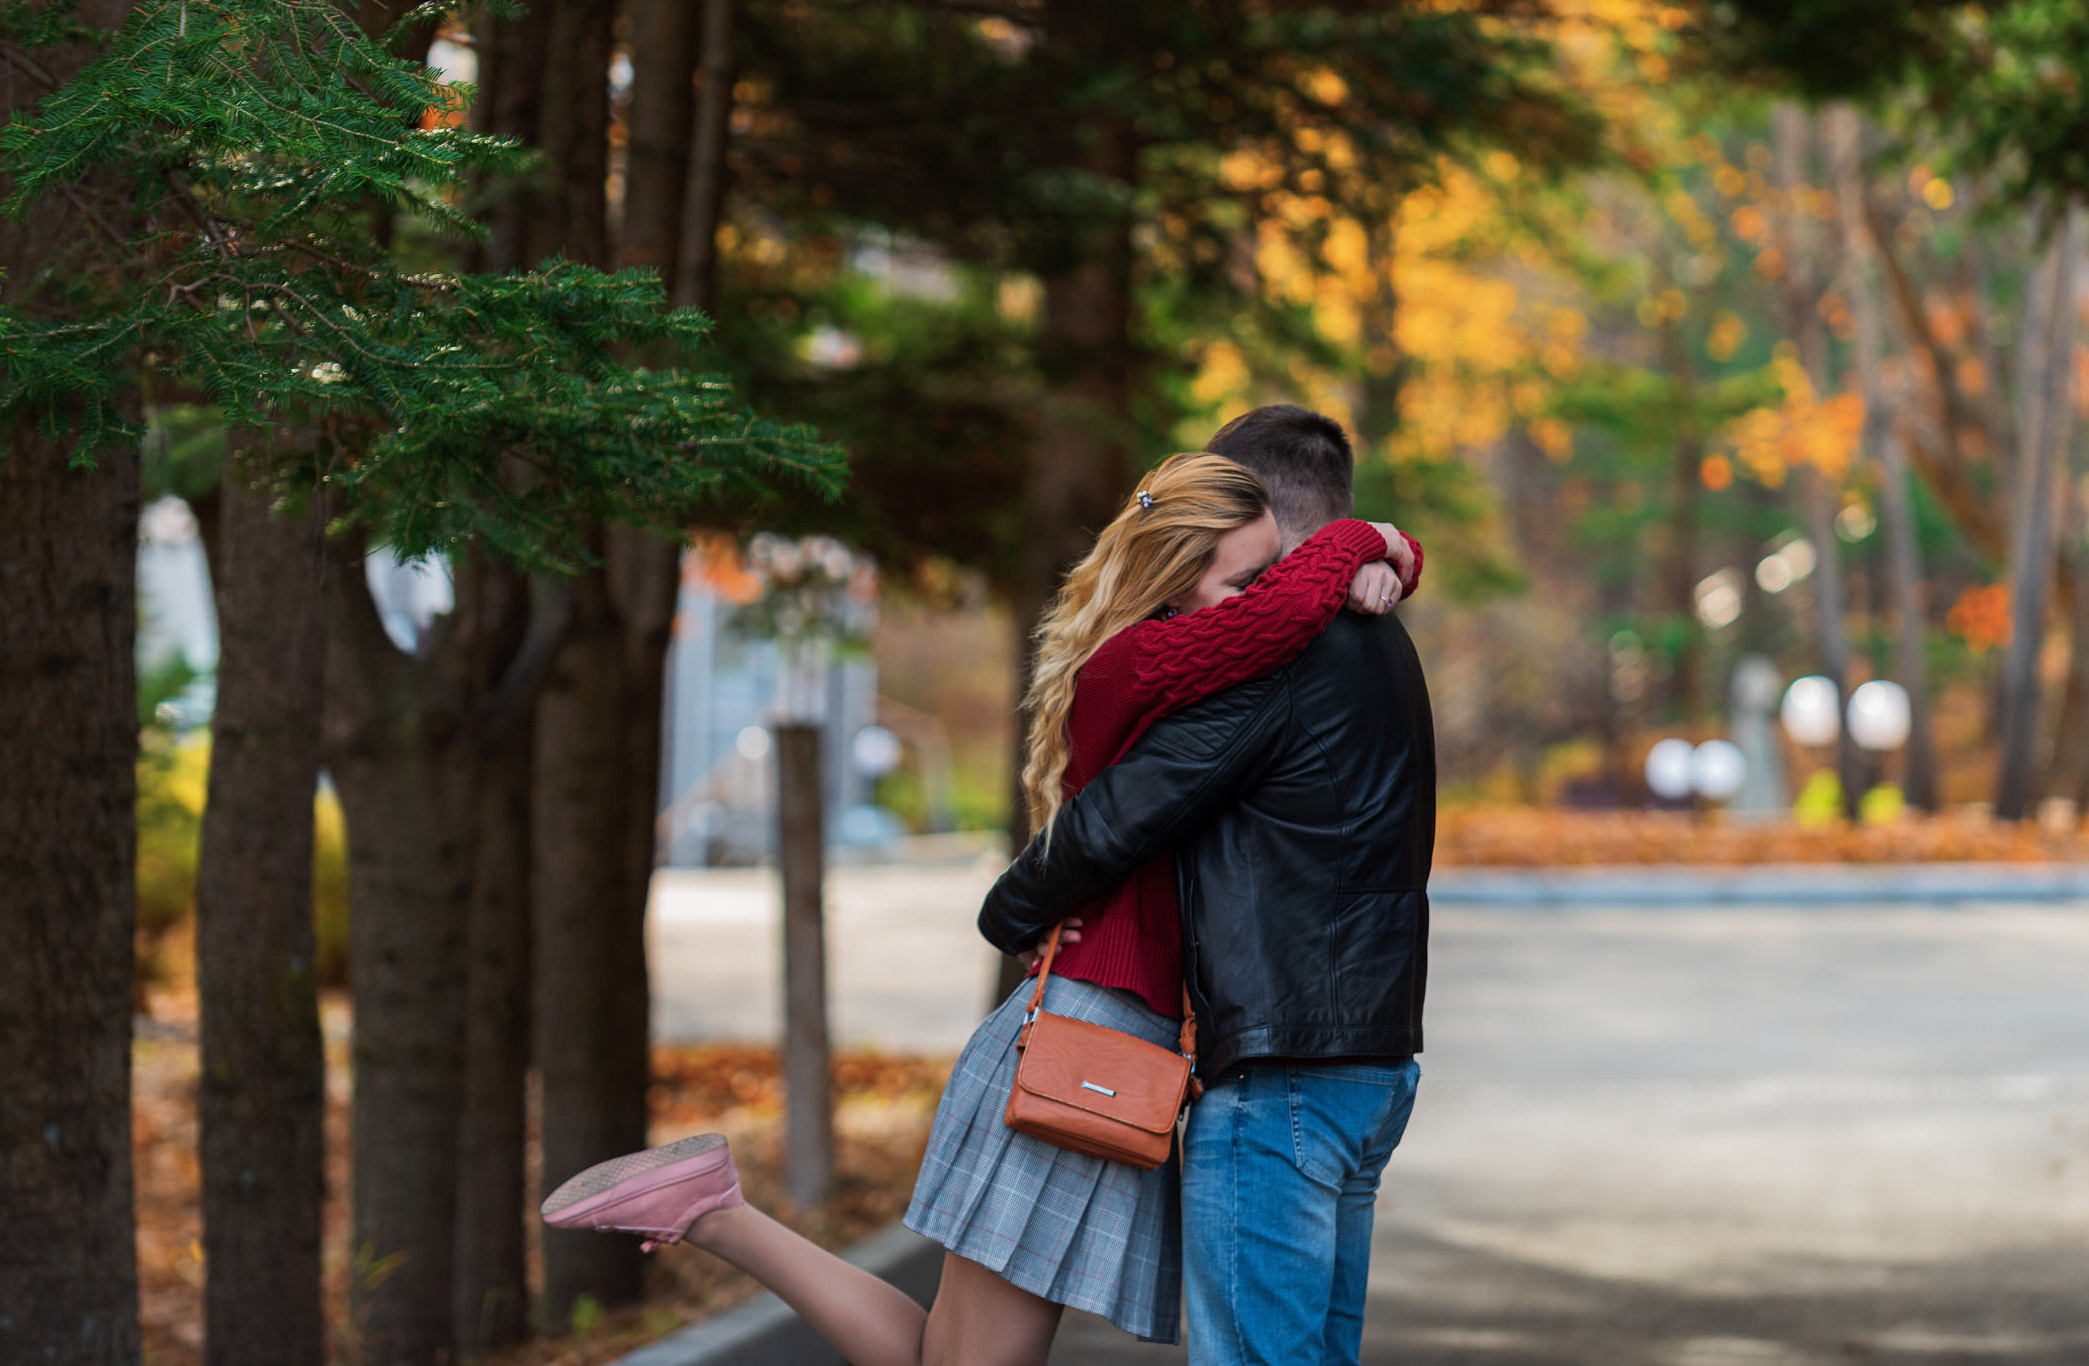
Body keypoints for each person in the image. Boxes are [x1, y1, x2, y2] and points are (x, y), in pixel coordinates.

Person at [539, 446, 1422, 1366]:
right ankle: (718, 1212)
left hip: (1101, 1030)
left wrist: (1382, 558)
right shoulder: (1145, 657)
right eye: (1247, 575)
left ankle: (715, 1210)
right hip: (1096, 1032)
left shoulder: (1176, 661)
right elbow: (1279, 620)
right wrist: (1370, 538)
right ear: (1174, 574)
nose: (1267, 592)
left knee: (949, 1358)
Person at [978, 404, 1438, 1366]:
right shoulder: (1387, 641)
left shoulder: (1284, 655)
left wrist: (1013, 910)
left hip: (1285, 1073)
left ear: (1253, 516)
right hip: (1375, 1061)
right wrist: (1384, 545)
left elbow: (1120, 814)